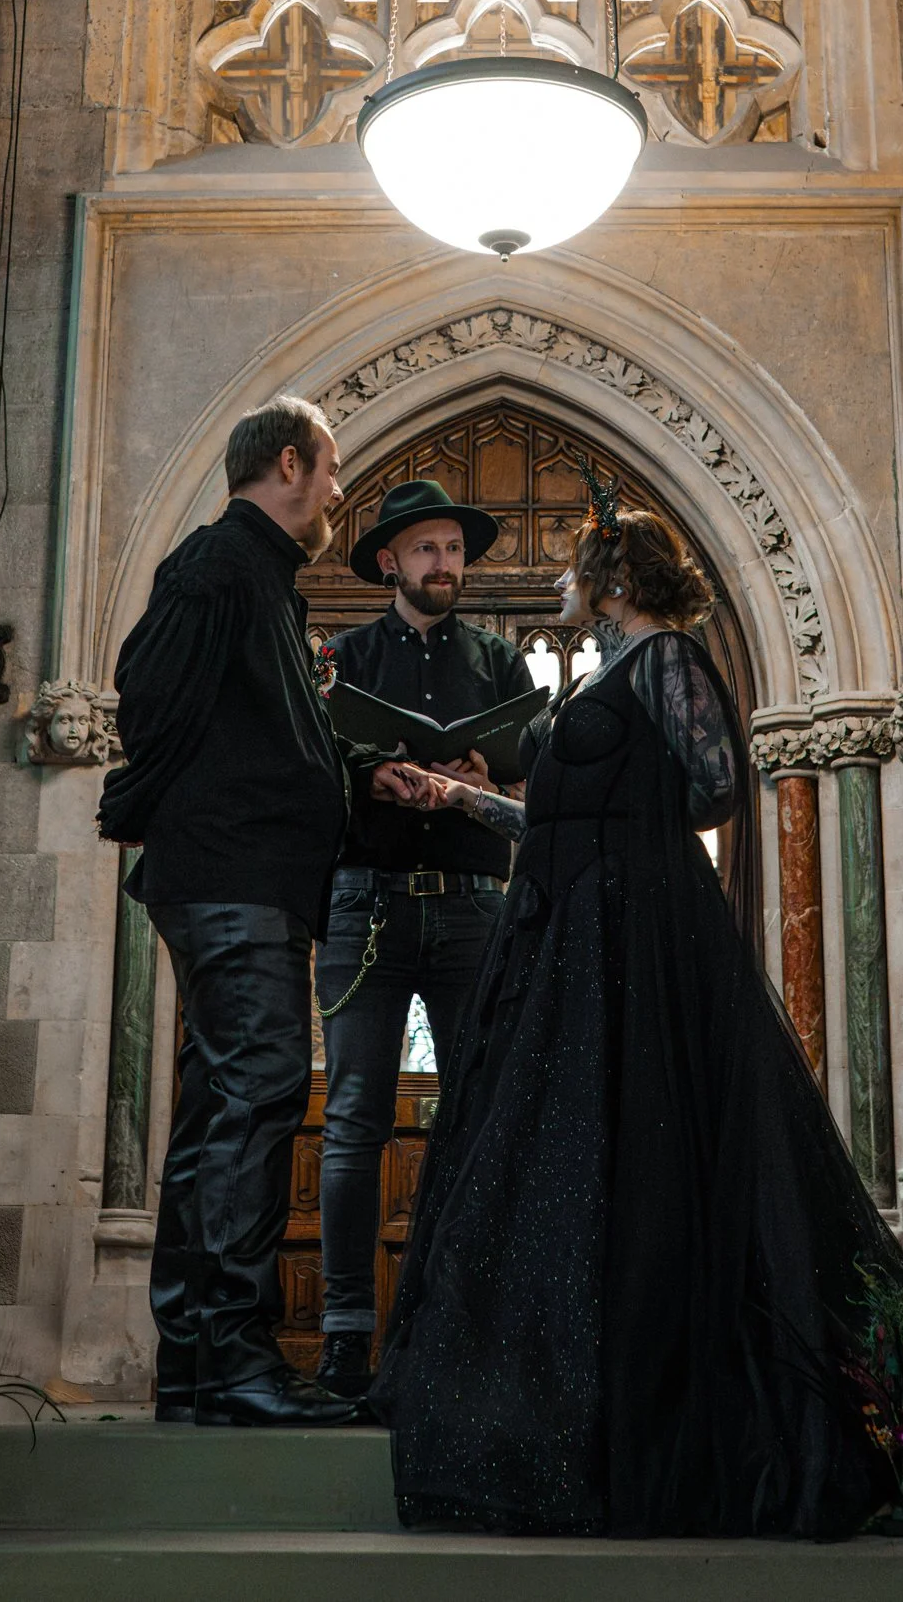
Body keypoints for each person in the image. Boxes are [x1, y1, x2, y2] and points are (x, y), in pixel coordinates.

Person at [370, 491, 903, 1538]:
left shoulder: (664, 660)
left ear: (615, 582)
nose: (561, 586)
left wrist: (634, 846)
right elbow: (566, 818)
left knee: (647, 1154)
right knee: (562, 1161)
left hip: (636, 940)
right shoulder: (615, 670)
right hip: (574, 935)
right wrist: (456, 800)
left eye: (575, 571)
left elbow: (713, 786)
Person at [98, 396, 425, 1429]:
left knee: (223, 1109)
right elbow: (147, 695)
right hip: (229, 879)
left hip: (245, 878)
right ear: (287, 463)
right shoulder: (218, 565)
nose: (337, 489)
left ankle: (196, 1368)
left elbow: (274, 730)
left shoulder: (264, 581)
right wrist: (194, 805)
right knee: (259, 1092)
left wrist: (359, 776)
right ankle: (232, 1360)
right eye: (329, 469)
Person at [315, 481, 538, 1405]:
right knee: (354, 1119)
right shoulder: (345, 657)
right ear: (389, 564)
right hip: (364, 903)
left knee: (480, 1116)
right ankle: (342, 1337)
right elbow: (309, 763)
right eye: (425, 550)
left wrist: (488, 768)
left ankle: (462, 1330)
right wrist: (372, 779)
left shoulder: (499, 659)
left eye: (452, 549)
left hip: (471, 907)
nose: (442, 564)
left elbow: (539, 761)